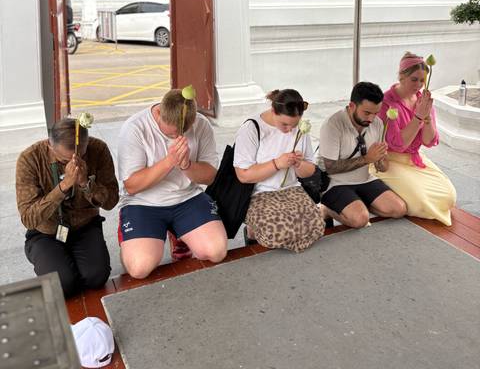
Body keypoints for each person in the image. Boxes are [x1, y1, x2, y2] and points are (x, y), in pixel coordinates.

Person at [117, 89, 227, 279]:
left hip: (187, 197)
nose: (177, 136)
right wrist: (169, 161)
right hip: (143, 203)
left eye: (182, 131)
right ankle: (131, 242)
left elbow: (209, 177)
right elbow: (132, 186)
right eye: (171, 132)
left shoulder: (201, 125)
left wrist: (186, 166)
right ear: (159, 113)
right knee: (139, 269)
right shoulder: (135, 128)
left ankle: (180, 234)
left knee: (216, 252)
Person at [16, 118, 119, 297]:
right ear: (50, 145)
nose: (74, 163)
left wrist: (86, 184)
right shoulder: (30, 159)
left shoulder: (98, 149)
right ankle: (59, 265)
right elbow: (28, 218)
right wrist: (63, 187)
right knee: (62, 286)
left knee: (96, 277)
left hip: (85, 226)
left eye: (81, 155)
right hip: (45, 232)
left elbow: (111, 202)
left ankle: (70, 264)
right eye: (65, 159)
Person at [234, 89, 325, 252]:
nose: (290, 130)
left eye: (294, 125)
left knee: (317, 226)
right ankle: (253, 233)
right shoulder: (252, 128)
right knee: (276, 233)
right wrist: (277, 163)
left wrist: (299, 164)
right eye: (284, 124)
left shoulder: (300, 130)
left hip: (291, 189)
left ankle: (287, 238)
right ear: (273, 111)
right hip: (259, 193)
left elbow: (310, 170)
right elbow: (243, 175)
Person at [376, 52, 456, 226]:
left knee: (450, 196)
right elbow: (398, 144)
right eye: (414, 79)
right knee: (422, 201)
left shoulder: (422, 100)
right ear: (402, 76)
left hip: (414, 159)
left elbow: (429, 141)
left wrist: (426, 119)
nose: (419, 85)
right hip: (389, 160)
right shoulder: (386, 103)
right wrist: (418, 117)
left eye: (422, 80)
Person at [319, 82, 407, 228]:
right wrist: (367, 159)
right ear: (352, 106)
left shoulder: (377, 123)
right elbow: (330, 168)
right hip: (335, 183)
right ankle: (327, 210)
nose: (371, 119)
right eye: (367, 113)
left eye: (375, 113)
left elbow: (384, 168)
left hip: (365, 179)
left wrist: (380, 160)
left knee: (399, 209)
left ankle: (357, 204)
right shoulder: (333, 124)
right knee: (360, 220)